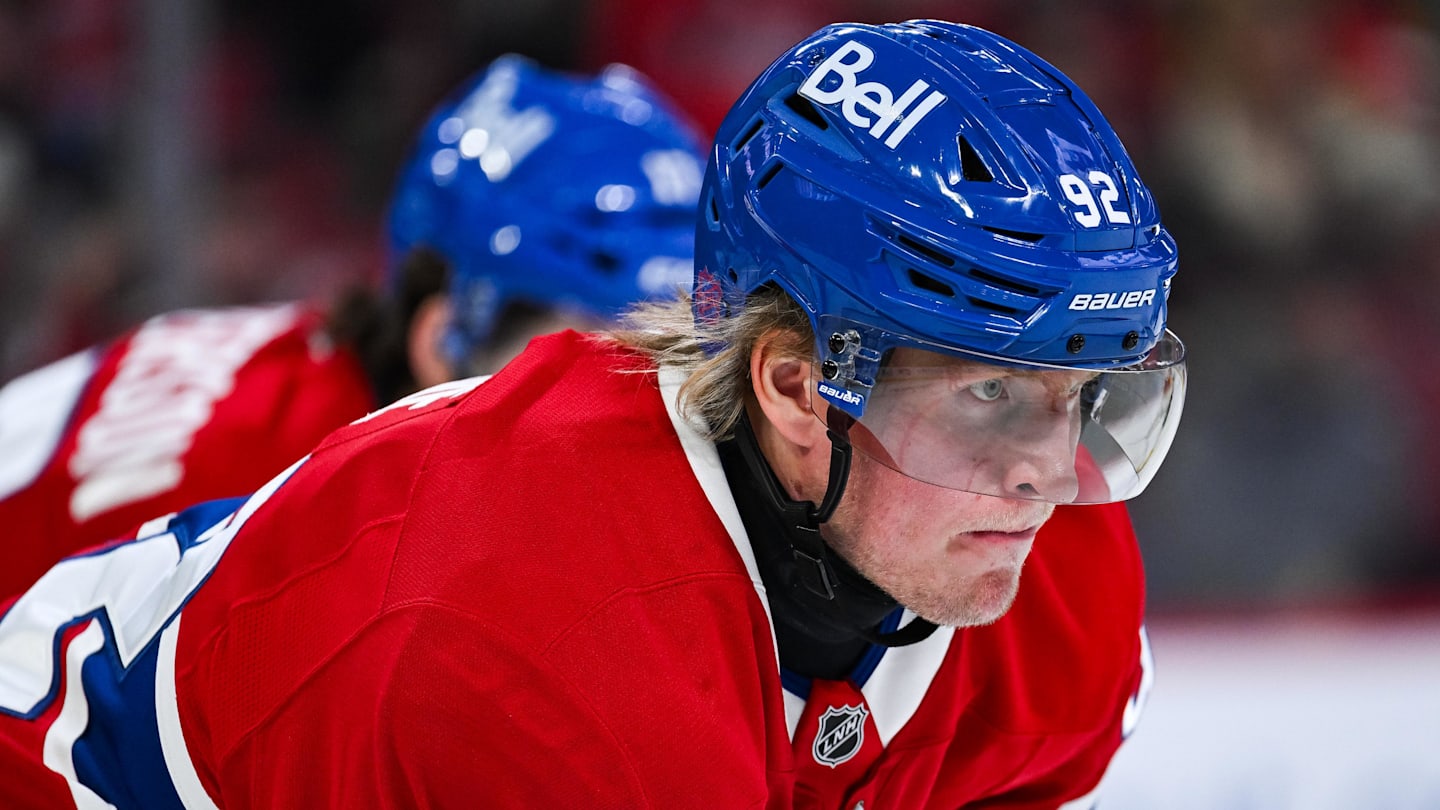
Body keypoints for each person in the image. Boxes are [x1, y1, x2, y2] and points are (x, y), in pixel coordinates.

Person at [0, 20, 1186, 809]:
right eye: (986, 392)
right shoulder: (547, 638)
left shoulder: (1056, 581)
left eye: (1079, 393)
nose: (1045, 473)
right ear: (788, 384)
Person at [0, 54, 705, 596]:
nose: (647, 406)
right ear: (444, 338)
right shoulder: (296, 522)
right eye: (599, 360)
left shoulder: (310, 372)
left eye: (680, 354)